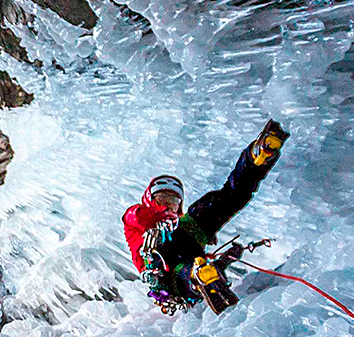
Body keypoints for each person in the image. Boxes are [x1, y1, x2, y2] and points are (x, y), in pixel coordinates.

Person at [123, 120, 288, 311]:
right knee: (178, 272)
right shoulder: (136, 217)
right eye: (162, 199)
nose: (168, 205)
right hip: (166, 272)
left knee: (230, 197)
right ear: (150, 199)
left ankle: (256, 157)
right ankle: (197, 275)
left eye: (173, 202)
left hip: (187, 242)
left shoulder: (182, 222)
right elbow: (136, 216)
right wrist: (163, 216)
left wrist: (224, 260)